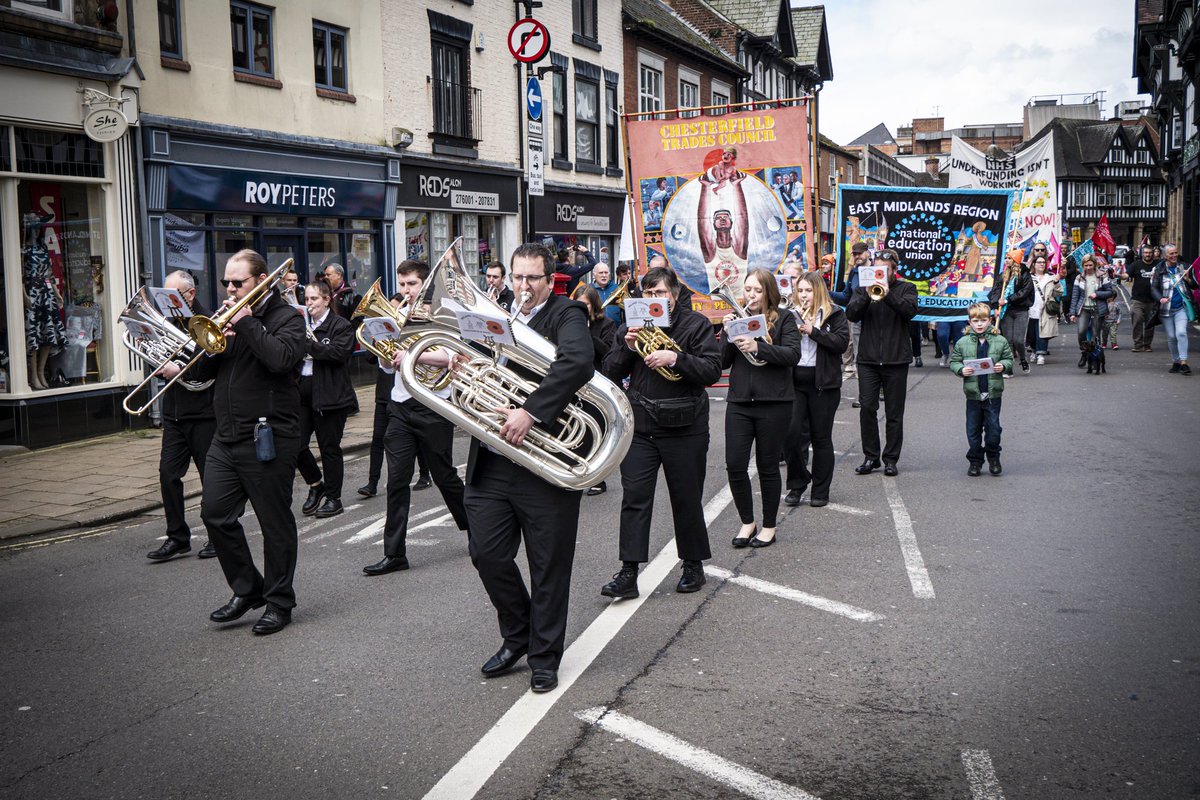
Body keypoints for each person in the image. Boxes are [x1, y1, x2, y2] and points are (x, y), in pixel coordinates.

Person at [465, 242, 593, 694]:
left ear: (550, 279)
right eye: (517, 277)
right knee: (486, 553)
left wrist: (531, 410)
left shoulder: (566, 315)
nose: (522, 286)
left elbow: (577, 361)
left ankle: (544, 656)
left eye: (531, 278)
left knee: (548, 566)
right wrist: (419, 359)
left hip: (544, 460)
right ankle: (518, 635)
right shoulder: (497, 312)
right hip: (494, 458)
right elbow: (472, 362)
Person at [192, 249, 306, 636]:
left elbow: (282, 360)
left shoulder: (287, 317)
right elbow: (202, 373)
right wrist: (212, 344)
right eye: (226, 281)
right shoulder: (229, 320)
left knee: (274, 523)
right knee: (215, 514)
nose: (228, 288)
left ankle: (279, 601)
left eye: (237, 282)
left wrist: (247, 325)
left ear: (260, 282)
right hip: (225, 436)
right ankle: (248, 589)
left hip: (268, 436)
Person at [598, 266, 721, 598]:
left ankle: (693, 565)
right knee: (635, 498)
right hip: (641, 426)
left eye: (660, 293)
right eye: (648, 293)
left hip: (685, 427)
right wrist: (625, 345)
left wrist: (675, 357)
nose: (653, 299)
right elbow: (608, 371)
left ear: (674, 295)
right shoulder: (631, 326)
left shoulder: (695, 325)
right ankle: (628, 573)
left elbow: (711, 370)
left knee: (686, 498)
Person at [364, 259, 470, 576]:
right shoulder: (397, 314)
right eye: (402, 284)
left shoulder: (442, 313)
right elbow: (387, 365)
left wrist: (411, 354)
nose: (405, 290)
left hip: (433, 406)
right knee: (396, 481)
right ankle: (395, 553)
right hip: (399, 405)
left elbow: (453, 357)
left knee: (444, 476)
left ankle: (477, 531)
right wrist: (386, 355)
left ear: (423, 284)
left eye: (411, 284)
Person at [722, 269, 802, 549]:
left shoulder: (785, 319)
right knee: (734, 464)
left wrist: (759, 347)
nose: (751, 295)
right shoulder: (738, 317)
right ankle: (747, 522)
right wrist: (725, 333)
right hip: (740, 401)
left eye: (757, 290)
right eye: (747, 289)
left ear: (768, 291)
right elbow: (721, 362)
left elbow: (793, 355)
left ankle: (768, 526)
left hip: (774, 403)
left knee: (768, 466)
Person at [146, 270, 218, 562]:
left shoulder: (207, 322)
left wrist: (180, 369)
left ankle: (217, 536)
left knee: (209, 478)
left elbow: (211, 369)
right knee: (167, 475)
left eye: (170, 295)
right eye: (163, 295)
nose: (165, 301)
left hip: (203, 412)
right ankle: (177, 537)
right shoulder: (167, 321)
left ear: (189, 294)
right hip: (175, 412)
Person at [844, 249, 919, 476]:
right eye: (876, 269)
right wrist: (868, 293)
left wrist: (888, 294)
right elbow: (851, 314)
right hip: (867, 359)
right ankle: (870, 457)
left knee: (894, 412)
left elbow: (909, 312)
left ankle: (890, 459)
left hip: (896, 359)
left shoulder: (907, 288)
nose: (880, 274)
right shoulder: (862, 288)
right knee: (867, 408)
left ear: (895, 271)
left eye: (884, 270)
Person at [783, 271, 850, 508]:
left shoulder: (834, 314)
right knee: (791, 436)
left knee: (821, 438)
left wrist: (814, 331)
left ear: (818, 291)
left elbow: (841, 344)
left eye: (808, 291)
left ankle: (821, 490)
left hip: (824, 384)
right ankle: (798, 483)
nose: (803, 295)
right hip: (794, 382)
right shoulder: (788, 314)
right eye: (800, 290)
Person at [358, 292, 431, 498]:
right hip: (384, 392)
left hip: (404, 391)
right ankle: (372, 483)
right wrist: (378, 337)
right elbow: (369, 359)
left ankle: (425, 474)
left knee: (416, 438)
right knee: (377, 438)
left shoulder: (412, 327)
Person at [295, 281, 358, 519]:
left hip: (331, 395)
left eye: (314, 299)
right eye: (307, 299)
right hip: (302, 394)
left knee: (329, 448)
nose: (309, 303)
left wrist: (308, 344)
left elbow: (338, 354)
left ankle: (334, 498)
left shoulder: (340, 326)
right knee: (296, 446)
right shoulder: (301, 324)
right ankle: (315, 484)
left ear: (326, 300)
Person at [949, 303, 1013, 477]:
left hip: (993, 394)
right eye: (975, 320)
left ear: (990, 320)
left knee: (993, 430)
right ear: (969, 322)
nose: (979, 324)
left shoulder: (1000, 340)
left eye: (983, 320)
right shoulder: (963, 342)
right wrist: (961, 370)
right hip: (973, 395)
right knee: (973, 430)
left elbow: (1009, 359)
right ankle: (975, 461)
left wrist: (1003, 366)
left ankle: (993, 458)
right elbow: (954, 361)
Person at [571, 283, 617, 497]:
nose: (582, 309)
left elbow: (609, 352)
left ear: (593, 306)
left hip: (596, 381)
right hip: (574, 382)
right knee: (575, 429)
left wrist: (587, 333)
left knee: (596, 430)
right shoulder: (569, 323)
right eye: (578, 305)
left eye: (586, 305)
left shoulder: (605, 324)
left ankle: (598, 478)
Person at [21, 212, 66, 391]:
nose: (38, 230)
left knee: (48, 333)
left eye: (40, 227)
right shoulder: (22, 249)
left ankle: (41, 371)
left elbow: (49, 273)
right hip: (31, 291)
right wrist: (24, 296)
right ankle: (33, 376)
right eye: (36, 227)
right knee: (33, 334)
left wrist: (56, 293)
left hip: (45, 293)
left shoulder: (42, 248)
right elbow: (17, 275)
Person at [1152, 243, 1194, 375]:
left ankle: (1184, 363)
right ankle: (1175, 361)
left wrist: (1188, 279)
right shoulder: (1158, 269)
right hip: (1166, 309)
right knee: (1171, 336)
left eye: (1176, 253)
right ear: (1165, 256)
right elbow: (1153, 287)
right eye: (1171, 253)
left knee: (1181, 333)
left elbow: (1194, 286)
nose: (1174, 255)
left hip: (1181, 307)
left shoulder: (1184, 267)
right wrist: (1160, 298)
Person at [991, 248, 1034, 374]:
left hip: (1021, 310)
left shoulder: (1025, 274)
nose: (1006, 260)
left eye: (1009, 258)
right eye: (1006, 258)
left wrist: (1008, 299)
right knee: (1008, 340)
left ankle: (1022, 358)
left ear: (1015, 260)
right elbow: (996, 291)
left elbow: (1025, 292)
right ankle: (1008, 367)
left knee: (1018, 340)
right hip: (1006, 311)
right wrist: (995, 306)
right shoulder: (1003, 275)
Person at [1068, 254, 1115, 367]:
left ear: (1094, 264)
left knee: (1095, 335)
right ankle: (1084, 353)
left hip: (1097, 309)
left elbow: (1110, 292)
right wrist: (1072, 313)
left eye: (1090, 265)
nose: (1088, 267)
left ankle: (1095, 358)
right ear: (1082, 266)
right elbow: (1075, 296)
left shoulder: (1102, 276)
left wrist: (1097, 294)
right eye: (1085, 265)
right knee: (1081, 332)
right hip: (1084, 308)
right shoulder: (1079, 278)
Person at [831, 242, 868, 381]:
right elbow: (846, 297)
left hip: (876, 318)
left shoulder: (878, 268)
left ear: (867, 253)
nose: (857, 256)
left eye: (860, 253)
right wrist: (827, 293)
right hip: (858, 319)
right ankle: (864, 393)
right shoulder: (854, 271)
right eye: (855, 254)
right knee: (860, 355)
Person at [1029, 256, 1061, 365]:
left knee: (1042, 334)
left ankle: (1041, 354)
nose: (1041, 264)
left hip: (1045, 310)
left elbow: (1059, 293)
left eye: (1043, 262)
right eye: (1039, 262)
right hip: (1031, 309)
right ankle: (1034, 350)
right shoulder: (1029, 278)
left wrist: (1057, 283)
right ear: (1034, 264)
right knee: (1031, 335)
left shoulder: (1051, 278)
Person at [1101, 275, 1122, 350]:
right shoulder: (1104, 304)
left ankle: (1114, 344)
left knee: (1113, 333)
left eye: (1111, 297)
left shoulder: (1116, 305)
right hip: (1105, 322)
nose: (1109, 298)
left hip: (1113, 321)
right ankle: (1104, 343)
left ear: (1113, 297)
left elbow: (1119, 312)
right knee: (1104, 334)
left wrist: (1119, 319)